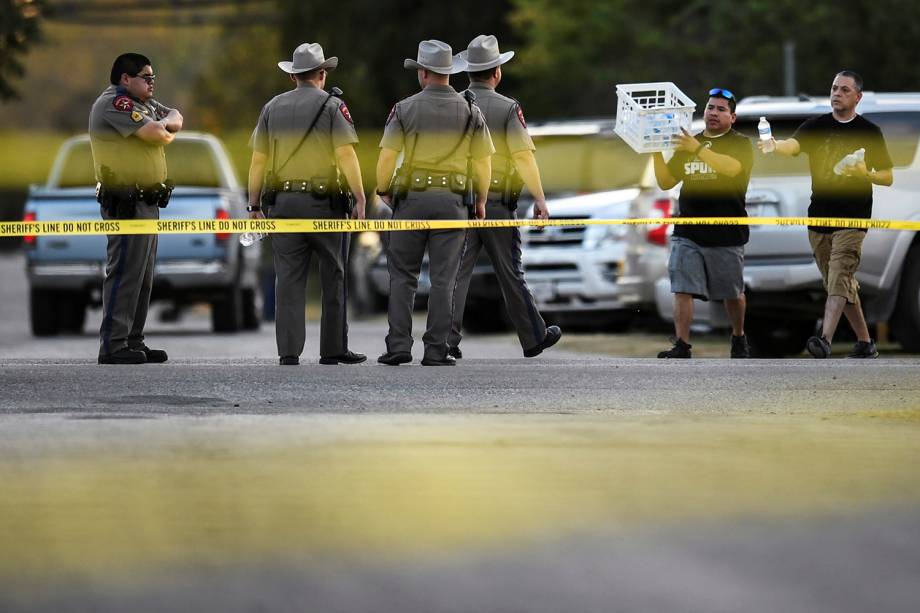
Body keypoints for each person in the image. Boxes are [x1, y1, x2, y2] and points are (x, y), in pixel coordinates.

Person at [247, 42, 367, 366]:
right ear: (322, 74)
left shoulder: (271, 107)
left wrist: (253, 206)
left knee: (287, 280)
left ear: (293, 77)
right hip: (324, 206)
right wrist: (359, 196)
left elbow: (258, 161)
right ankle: (333, 349)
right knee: (334, 274)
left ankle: (288, 352)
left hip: (282, 205)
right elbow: (346, 155)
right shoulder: (333, 106)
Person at [375, 39, 494, 366]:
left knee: (403, 276)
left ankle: (399, 346)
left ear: (423, 73)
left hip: (411, 199)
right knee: (445, 278)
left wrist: (384, 189)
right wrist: (480, 201)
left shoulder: (404, 108)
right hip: (454, 202)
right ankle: (437, 349)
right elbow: (484, 163)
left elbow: (387, 156)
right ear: (448, 73)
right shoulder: (471, 109)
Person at [447, 34, 562, 360]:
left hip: (458, 202)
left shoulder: (454, 104)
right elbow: (524, 157)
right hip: (496, 202)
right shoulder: (508, 108)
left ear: (468, 71)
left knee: (455, 274)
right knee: (510, 272)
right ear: (496, 71)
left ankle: (445, 340)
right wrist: (540, 199)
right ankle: (533, 336)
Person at [765, 70, 893, 359]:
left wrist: (866, 173)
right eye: (834, 88)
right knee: (838, 281)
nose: (837, 93)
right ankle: (865, 343)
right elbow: (792, 146)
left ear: (857, 97)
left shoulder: (869, 132)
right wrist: (775, 145)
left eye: (844, 90)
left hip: (853, 219)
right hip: (819, 218)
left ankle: (824, 339)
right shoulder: (816, 126)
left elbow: (887, 176)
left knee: (839, 276)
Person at [90, 52, 183, 364]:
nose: (151, 82)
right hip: (126, 204)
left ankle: (133, 339)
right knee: (124, 274)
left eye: (153, 77)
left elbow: (176, 116)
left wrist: (166, 122)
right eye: (146, 77)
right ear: (125, 79)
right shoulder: (115, 104)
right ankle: (113, 345)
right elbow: (158, 133)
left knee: (143, 277)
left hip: (147, 202)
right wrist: (164, 126)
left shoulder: (144, 104)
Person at [653, 88, 754, 359]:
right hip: (688, 229)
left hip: (726, 231)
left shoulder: (740, 143)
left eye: (721, 109)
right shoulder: (691, 142)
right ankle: (682, 345)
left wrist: (696, 149)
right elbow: (665, 182)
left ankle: (738, 337)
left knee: (732, 293)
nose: (714, 113)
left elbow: (731, 169)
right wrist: (652, 150)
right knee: (682, 288)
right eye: (711, 107)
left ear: (732, 117)